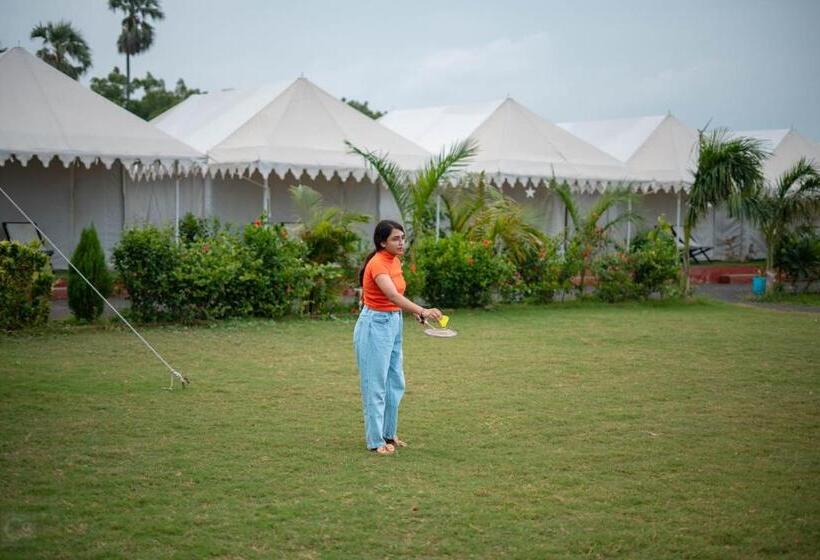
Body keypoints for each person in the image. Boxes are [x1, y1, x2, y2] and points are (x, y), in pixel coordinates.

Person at [354, 220, 442, 455]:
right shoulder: (377, 263)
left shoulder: (395, 261)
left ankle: (389, 434)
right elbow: (392, 295)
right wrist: (422, 310)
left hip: (393, 322)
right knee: (376, 385)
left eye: (402, 238)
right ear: (382, 242)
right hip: (375, 325)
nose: (401, 242)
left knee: (395, 382)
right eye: (395, 238)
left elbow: (397, 297)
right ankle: (375, 441)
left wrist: (414, 313)